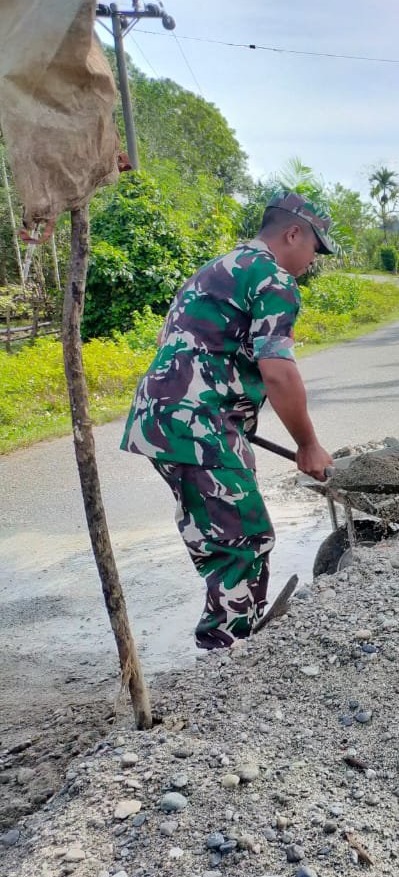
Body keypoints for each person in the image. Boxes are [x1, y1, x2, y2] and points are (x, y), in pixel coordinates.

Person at [121, 191, 336, 650]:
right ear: (293, 233)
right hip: (198, 427)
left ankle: (229, 644)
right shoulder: (274, 279)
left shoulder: (219, 268)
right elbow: (278, 371)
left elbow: (188, 343)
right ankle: (226, 662)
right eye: (314, 249)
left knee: (221, 535)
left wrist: (235, 419)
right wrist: (308, 445)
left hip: (165, 419)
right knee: (245, 542)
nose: (311, 261)